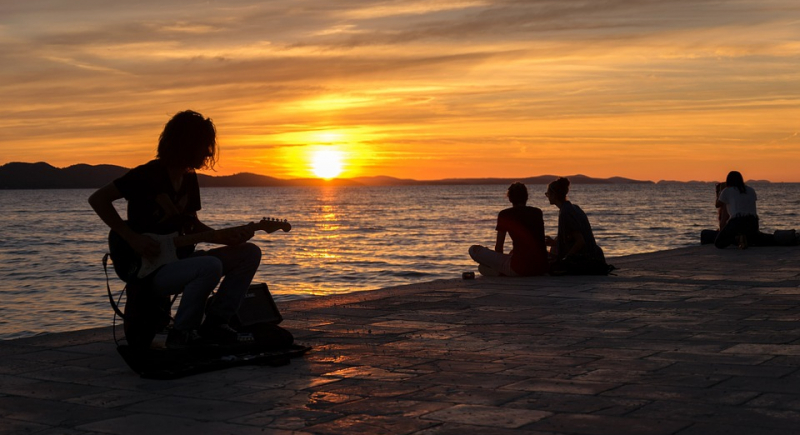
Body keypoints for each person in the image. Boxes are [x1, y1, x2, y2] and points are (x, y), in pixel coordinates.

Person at [89, 110, 262, 348]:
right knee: (210, 265)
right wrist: (131, 238)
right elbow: (98, 199)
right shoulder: (146, 175)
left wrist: (226, 238)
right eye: (204, 145)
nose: (208, 152)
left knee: (249, 252)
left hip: (181, 260)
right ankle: (182, 333)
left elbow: (192, 226)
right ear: (187, 143)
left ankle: (217, 323)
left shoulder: (189, 179)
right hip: (150, 272)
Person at [469, 182, 548, 277]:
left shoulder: (505, 214)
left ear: (510, 198)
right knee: (482, 268)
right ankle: (503, 271)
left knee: (473, 250)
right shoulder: (537, 212)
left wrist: (497, 263)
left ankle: (503, 272)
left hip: (520, 269)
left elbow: (499, 246)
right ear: (526, 197)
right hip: (541, 268)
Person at [545, 177, 610, 275]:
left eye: (548, 194)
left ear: (554, 195)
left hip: (586, 259)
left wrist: (565, 259)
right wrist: (554, 243)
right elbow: (572, 239)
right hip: (595, 255)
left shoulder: (565, 213)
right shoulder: (574, 208)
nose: (547, 196)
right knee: (554, 248)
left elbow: (580, 241)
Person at [714, 171, 760, 249]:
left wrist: (720, 191)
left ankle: (737, 238)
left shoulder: (727, 191)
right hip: (753, 222)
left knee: (719, 243)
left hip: (737, 221)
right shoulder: (751, 190)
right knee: (752, 240)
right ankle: (743, 237)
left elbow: (717, 205)